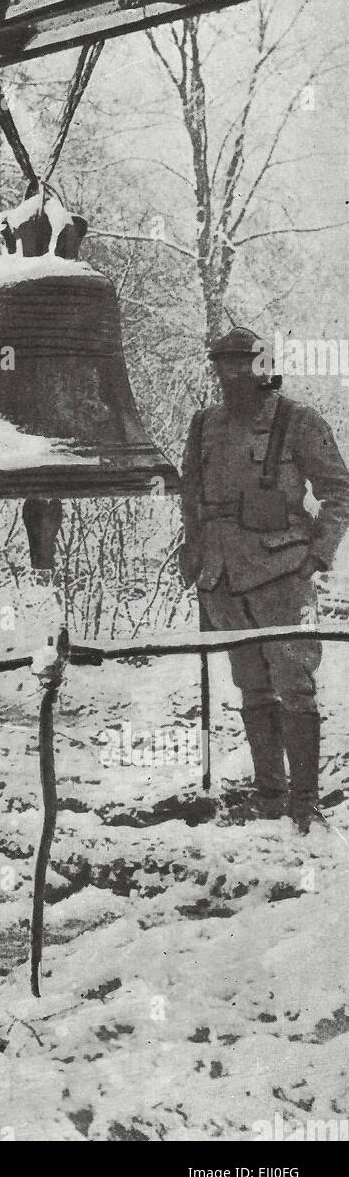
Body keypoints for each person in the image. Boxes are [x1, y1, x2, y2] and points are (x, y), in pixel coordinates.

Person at [179, 327, 349, 832]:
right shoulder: (205, 424)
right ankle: (268, 796)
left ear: (264, 368)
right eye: (223, 366)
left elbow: (340, 492)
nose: (231, 375)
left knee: (294, 686)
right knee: (251, 687)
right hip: (222, 573)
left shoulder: (298, 421)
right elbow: (191, 493)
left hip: (282, 574)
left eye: (243, 364)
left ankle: (304, 804)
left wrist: (316, 556)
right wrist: (193, 551)